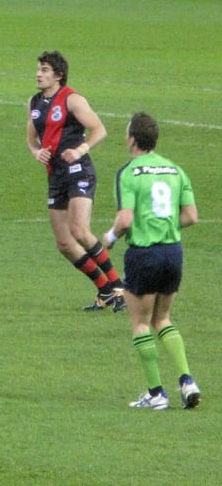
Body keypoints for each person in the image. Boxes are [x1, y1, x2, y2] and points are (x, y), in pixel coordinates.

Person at [102, 112, 200, 410]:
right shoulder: (175, 170)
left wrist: (108, 239)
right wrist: (165, 226)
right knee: (163, 319)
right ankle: (187, 380)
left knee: (141, 322)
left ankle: (156, 393)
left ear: (132, 138)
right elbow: (191, 216)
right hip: (173, 253)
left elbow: (124, 220)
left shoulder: (129, 172)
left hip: (144, 254)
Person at [26, 50, 125, 311]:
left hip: (79, 171)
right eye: (38, 68)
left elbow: (99, 129)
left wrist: (80, 150)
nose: (39, 73)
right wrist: (38, 152)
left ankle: (118, 286)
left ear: (58, 75)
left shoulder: (72, 99)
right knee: (65, 244)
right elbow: (31, 140)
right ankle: (105, 291)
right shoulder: (34, 103)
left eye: (45, 70)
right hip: (55, 176)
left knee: (80, 230)